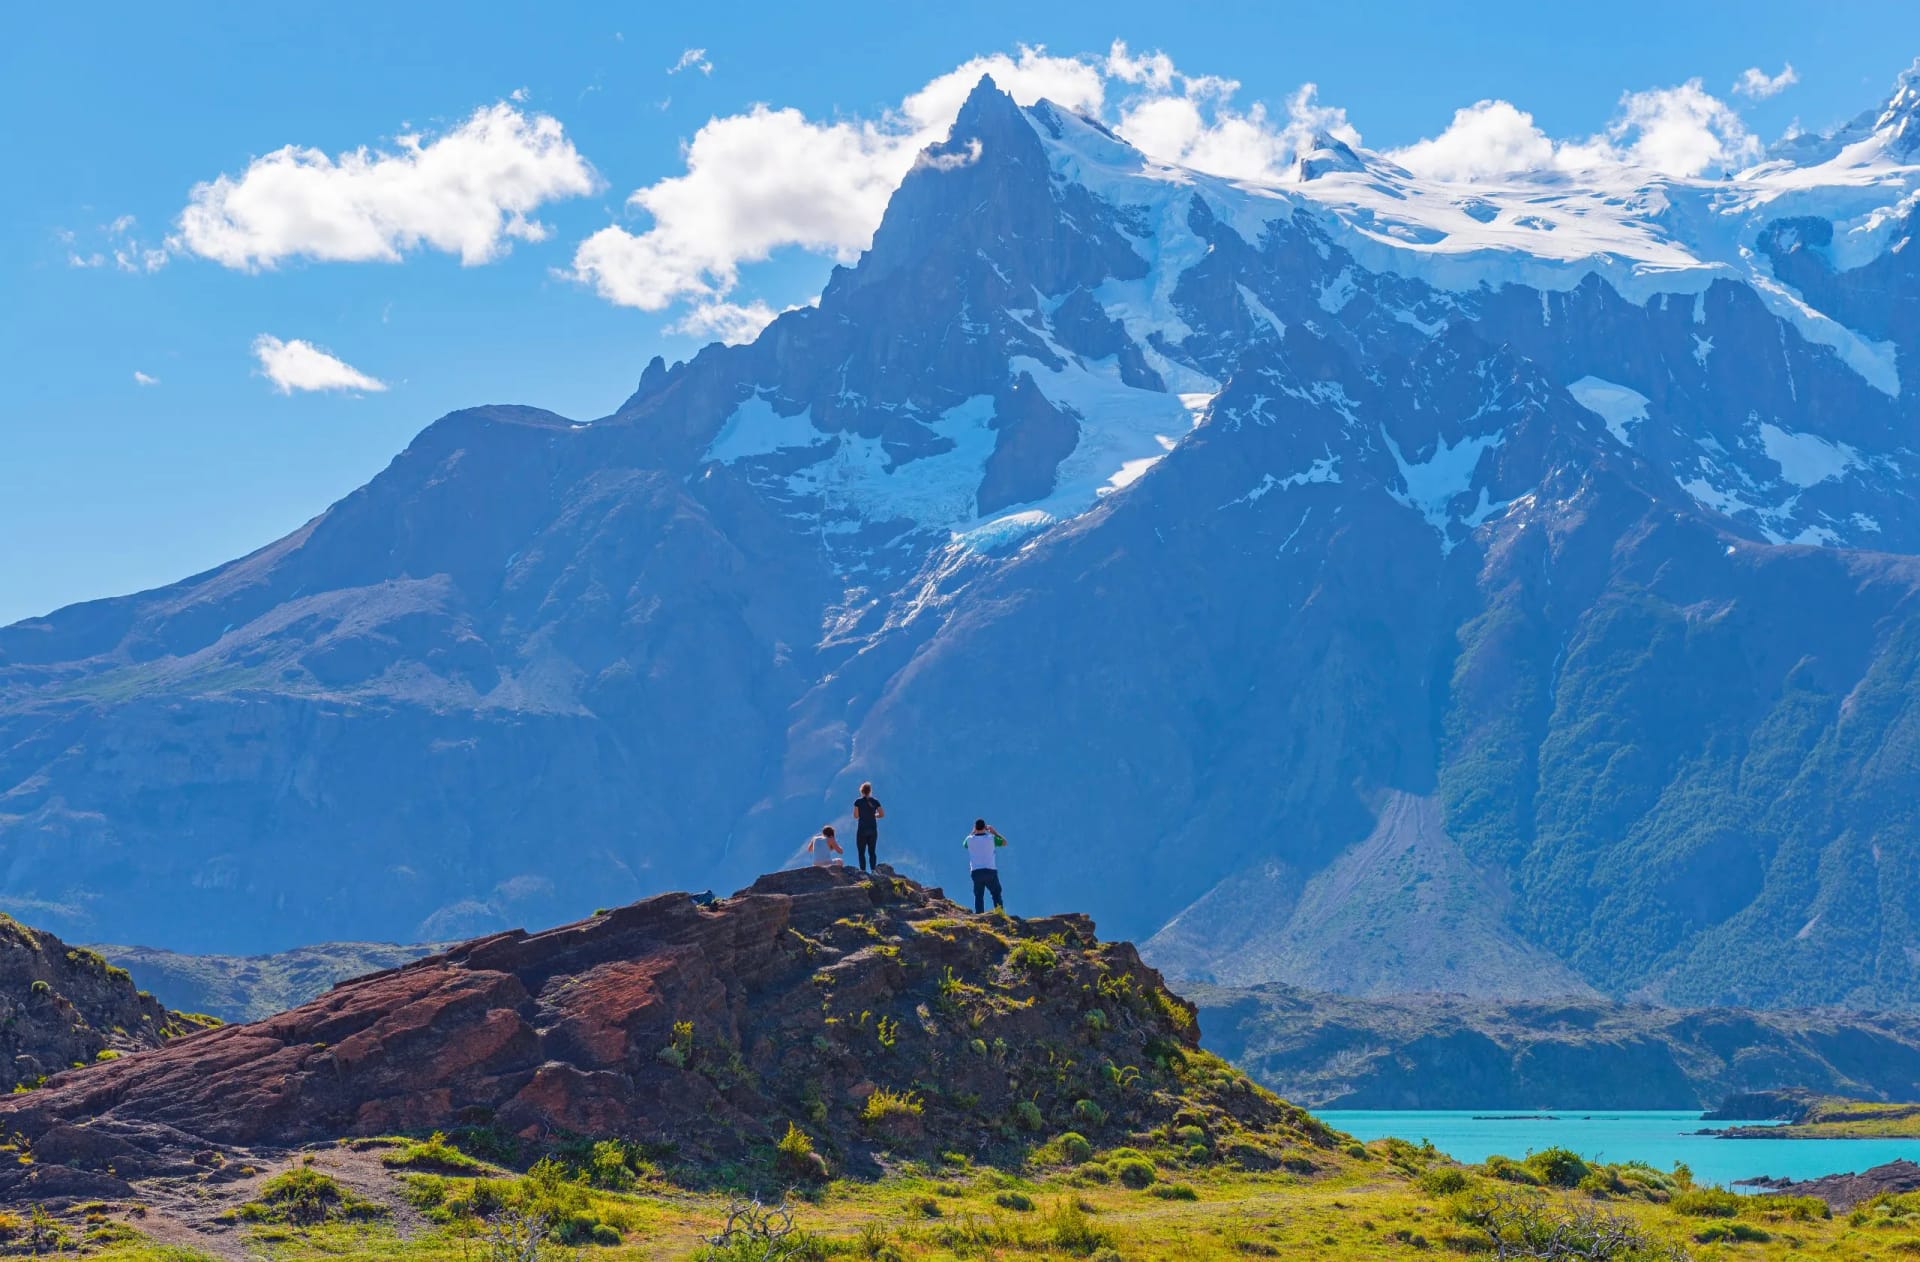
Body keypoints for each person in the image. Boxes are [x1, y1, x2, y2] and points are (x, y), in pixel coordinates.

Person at [963, 818, 1005, 913]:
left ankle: (979, 915)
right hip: (990, 870)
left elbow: (964, 844)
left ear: (975, 827)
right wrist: (994, 832)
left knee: (978, 895)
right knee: (996, 893)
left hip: (976, 871)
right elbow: (1004, 842)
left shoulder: (969, 840)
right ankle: (999, 913)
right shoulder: (991, 838)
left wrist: (972, 832)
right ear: (985, 828)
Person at [852, 781, 885, 872]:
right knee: (872, 851)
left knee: (861, 852)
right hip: (872, 829)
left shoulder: (857, 802)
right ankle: (873, 870)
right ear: (870, 791)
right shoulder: (875, 801)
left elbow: (855, 816)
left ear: (861, 791)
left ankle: (863, 871)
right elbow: (882, 814)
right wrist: (874, 815)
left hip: (862, 829)